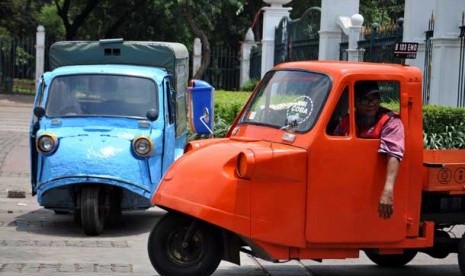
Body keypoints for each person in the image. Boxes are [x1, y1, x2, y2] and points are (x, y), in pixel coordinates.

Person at [334, 81, 405, 220]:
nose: (371, 103)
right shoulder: (347, 121)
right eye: (365, 100)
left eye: (375, 98)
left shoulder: (390, 122)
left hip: (373, 188)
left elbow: (394, 154)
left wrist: (388, 190)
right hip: (352, 187)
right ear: (355, 102)